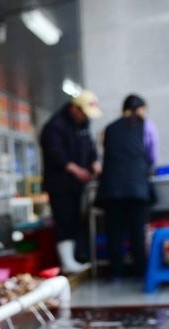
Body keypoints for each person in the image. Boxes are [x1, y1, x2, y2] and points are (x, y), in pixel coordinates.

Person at [95, 94, 160, 279]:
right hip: (136, 188)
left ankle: (116, 272)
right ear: (141, 109)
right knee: (136, 233)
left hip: (111, 189)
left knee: (114, 233)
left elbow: (104, 153)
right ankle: (140, 272)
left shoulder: (108, 129)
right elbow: (152, 156)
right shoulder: (147, 125)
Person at [39, 90, 102, 275]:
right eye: (83, 113)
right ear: (75, 108)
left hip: (78, 185)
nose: (85, 117)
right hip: (60, 185)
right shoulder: (54, 126)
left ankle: (76, 258)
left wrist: (95, 163)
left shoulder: (82, 124)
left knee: (76, 220)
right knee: (64, 220)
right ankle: (67, 262)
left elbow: (90, 147)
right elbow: (55, 154)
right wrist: (76, 170)